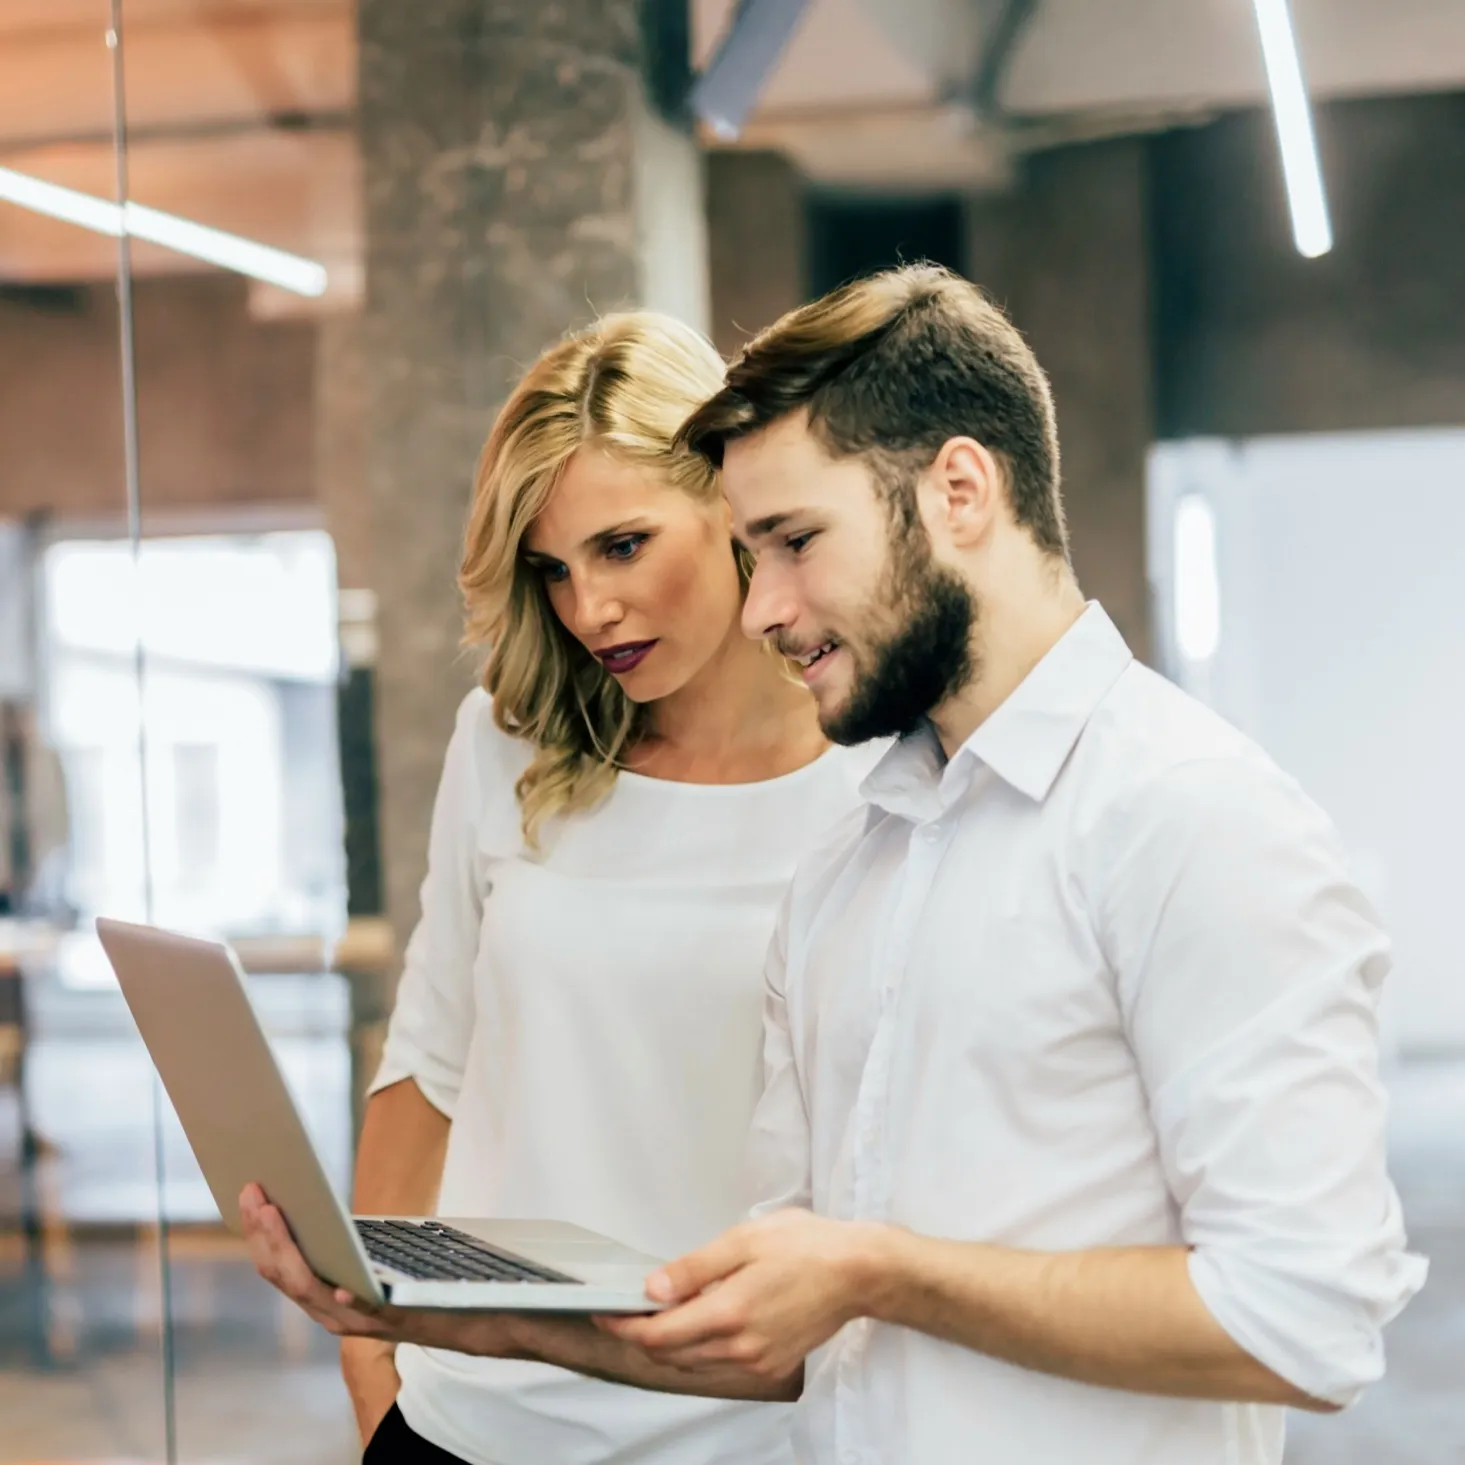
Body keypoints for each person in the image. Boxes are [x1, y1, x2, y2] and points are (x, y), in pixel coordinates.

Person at [242, 267, 1425, 1465]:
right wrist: (408, 1317)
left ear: (960, 489)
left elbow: (1306, 1315)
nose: (765, 609)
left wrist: (879, 1272)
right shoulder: (869, 851)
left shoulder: (1195, 819)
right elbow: (779, 1338)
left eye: (794, 542)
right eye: (754, 552)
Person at [314, 311, 877, 1465]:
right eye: (551, 569)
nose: (587, 610)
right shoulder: (507, 743)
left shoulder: (879, 783)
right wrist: (376, 1377)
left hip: (743, 1439)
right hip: (466, 1422)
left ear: (730, 506)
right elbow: (428, 1057)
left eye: (621, 545)